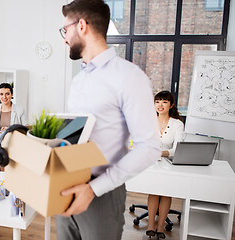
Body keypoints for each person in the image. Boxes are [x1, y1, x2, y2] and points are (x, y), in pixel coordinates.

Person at [57, 1, 161, 239]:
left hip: (103, 193)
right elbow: (81, 135)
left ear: (81, 25)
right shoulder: (78, 80)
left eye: (66, 30)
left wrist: (93, 188)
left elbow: (150, 147)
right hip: (68, 186)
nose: (64, 38)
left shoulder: (129, 77)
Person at [146, 90, 184, 239]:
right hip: (151, 161)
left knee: (165, 190)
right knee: (154, 189)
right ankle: (150, 225)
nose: (160, 105)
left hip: (168, 161)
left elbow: (177, 149)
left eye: (164, 102)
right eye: (157, 101)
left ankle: (161, 226)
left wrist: (161, 153)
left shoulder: (177, 124)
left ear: (171, 105)